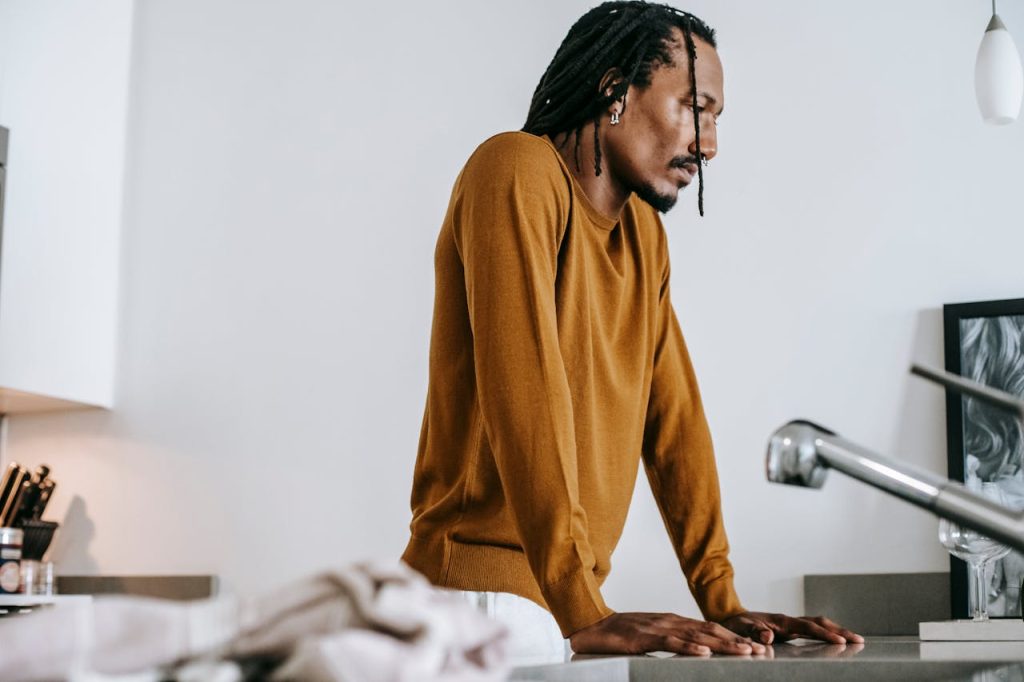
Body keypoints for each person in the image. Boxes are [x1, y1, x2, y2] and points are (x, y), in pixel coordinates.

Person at [401, 0, 862, 662]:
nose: (709, 145)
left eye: (717, 120)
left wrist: (722, 600)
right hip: (473, 603)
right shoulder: (516, 170)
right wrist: (582, 607)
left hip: (551, 613)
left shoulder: (642, 236)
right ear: (615, 91)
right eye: (694, 109)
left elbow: (673, 422)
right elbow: (522, 390)